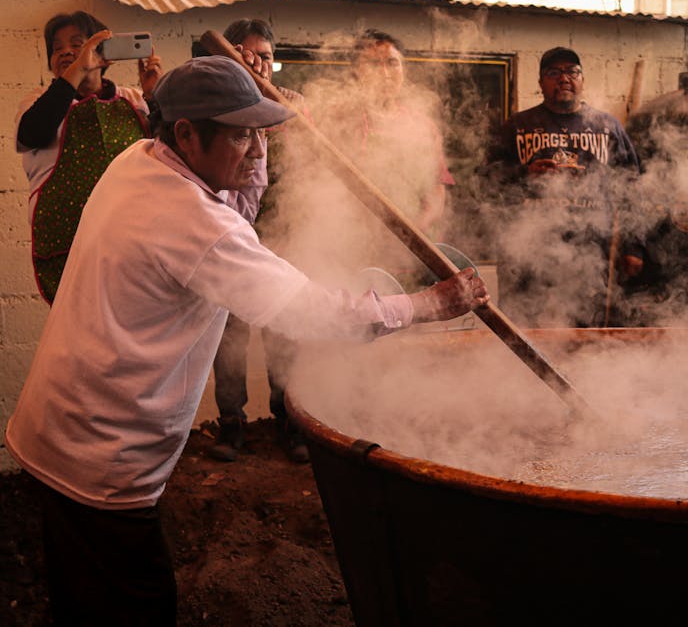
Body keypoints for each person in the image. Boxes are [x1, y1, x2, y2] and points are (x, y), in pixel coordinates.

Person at [4, 55, 489, 626]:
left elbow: (233, 213)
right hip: (101, 456)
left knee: (84, 597)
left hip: (64, 428)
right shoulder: (189, 220)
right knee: (134, 607)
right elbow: (312, 315)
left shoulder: (141, 160)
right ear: (186, 133)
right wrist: (431, 304)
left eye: (263, 135)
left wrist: (249, 154)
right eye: (241, 137)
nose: (259, 151)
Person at [208, 18, 309, 463]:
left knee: (284, 332)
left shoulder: (295, 105)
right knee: (228, 337)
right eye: (246, 55)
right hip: (229, 238)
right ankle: (231, 425)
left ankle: (287, 422)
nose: (258, 64)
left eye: (265, 57)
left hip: (283, 239)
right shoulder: (215, 107)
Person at [484, 46, 643, 327]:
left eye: (572, 71)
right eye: (553, 72)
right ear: (541, 83)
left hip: (590, 252)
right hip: (528, 254)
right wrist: (524, 175)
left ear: (582, 79)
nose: (564, 78)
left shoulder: (607, 126)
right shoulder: (516, 126)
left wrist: (634, 247)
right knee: (525, 331)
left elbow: (632, 188)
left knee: (584, 335)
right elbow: (485, 180)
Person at [15, 10, 162, 303]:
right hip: (67, 250)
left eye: (77, 44)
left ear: (102, 53)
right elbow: (32, 133)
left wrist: (155, 96)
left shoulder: (134, 101)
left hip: (133, 246)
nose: (66, 52)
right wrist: (77, 70)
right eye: (57, 48)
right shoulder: (38, 102)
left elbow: (169, 154)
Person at [306, 28, 456, 283]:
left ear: (403, 70)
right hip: (352, 254)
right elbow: (316, 186)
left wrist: (414, 230)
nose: (385, 73)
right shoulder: (337, 121)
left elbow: (437, 188)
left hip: (412, 255)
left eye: (392, 63)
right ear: (357, 72)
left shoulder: (422, 126)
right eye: (374, 64)